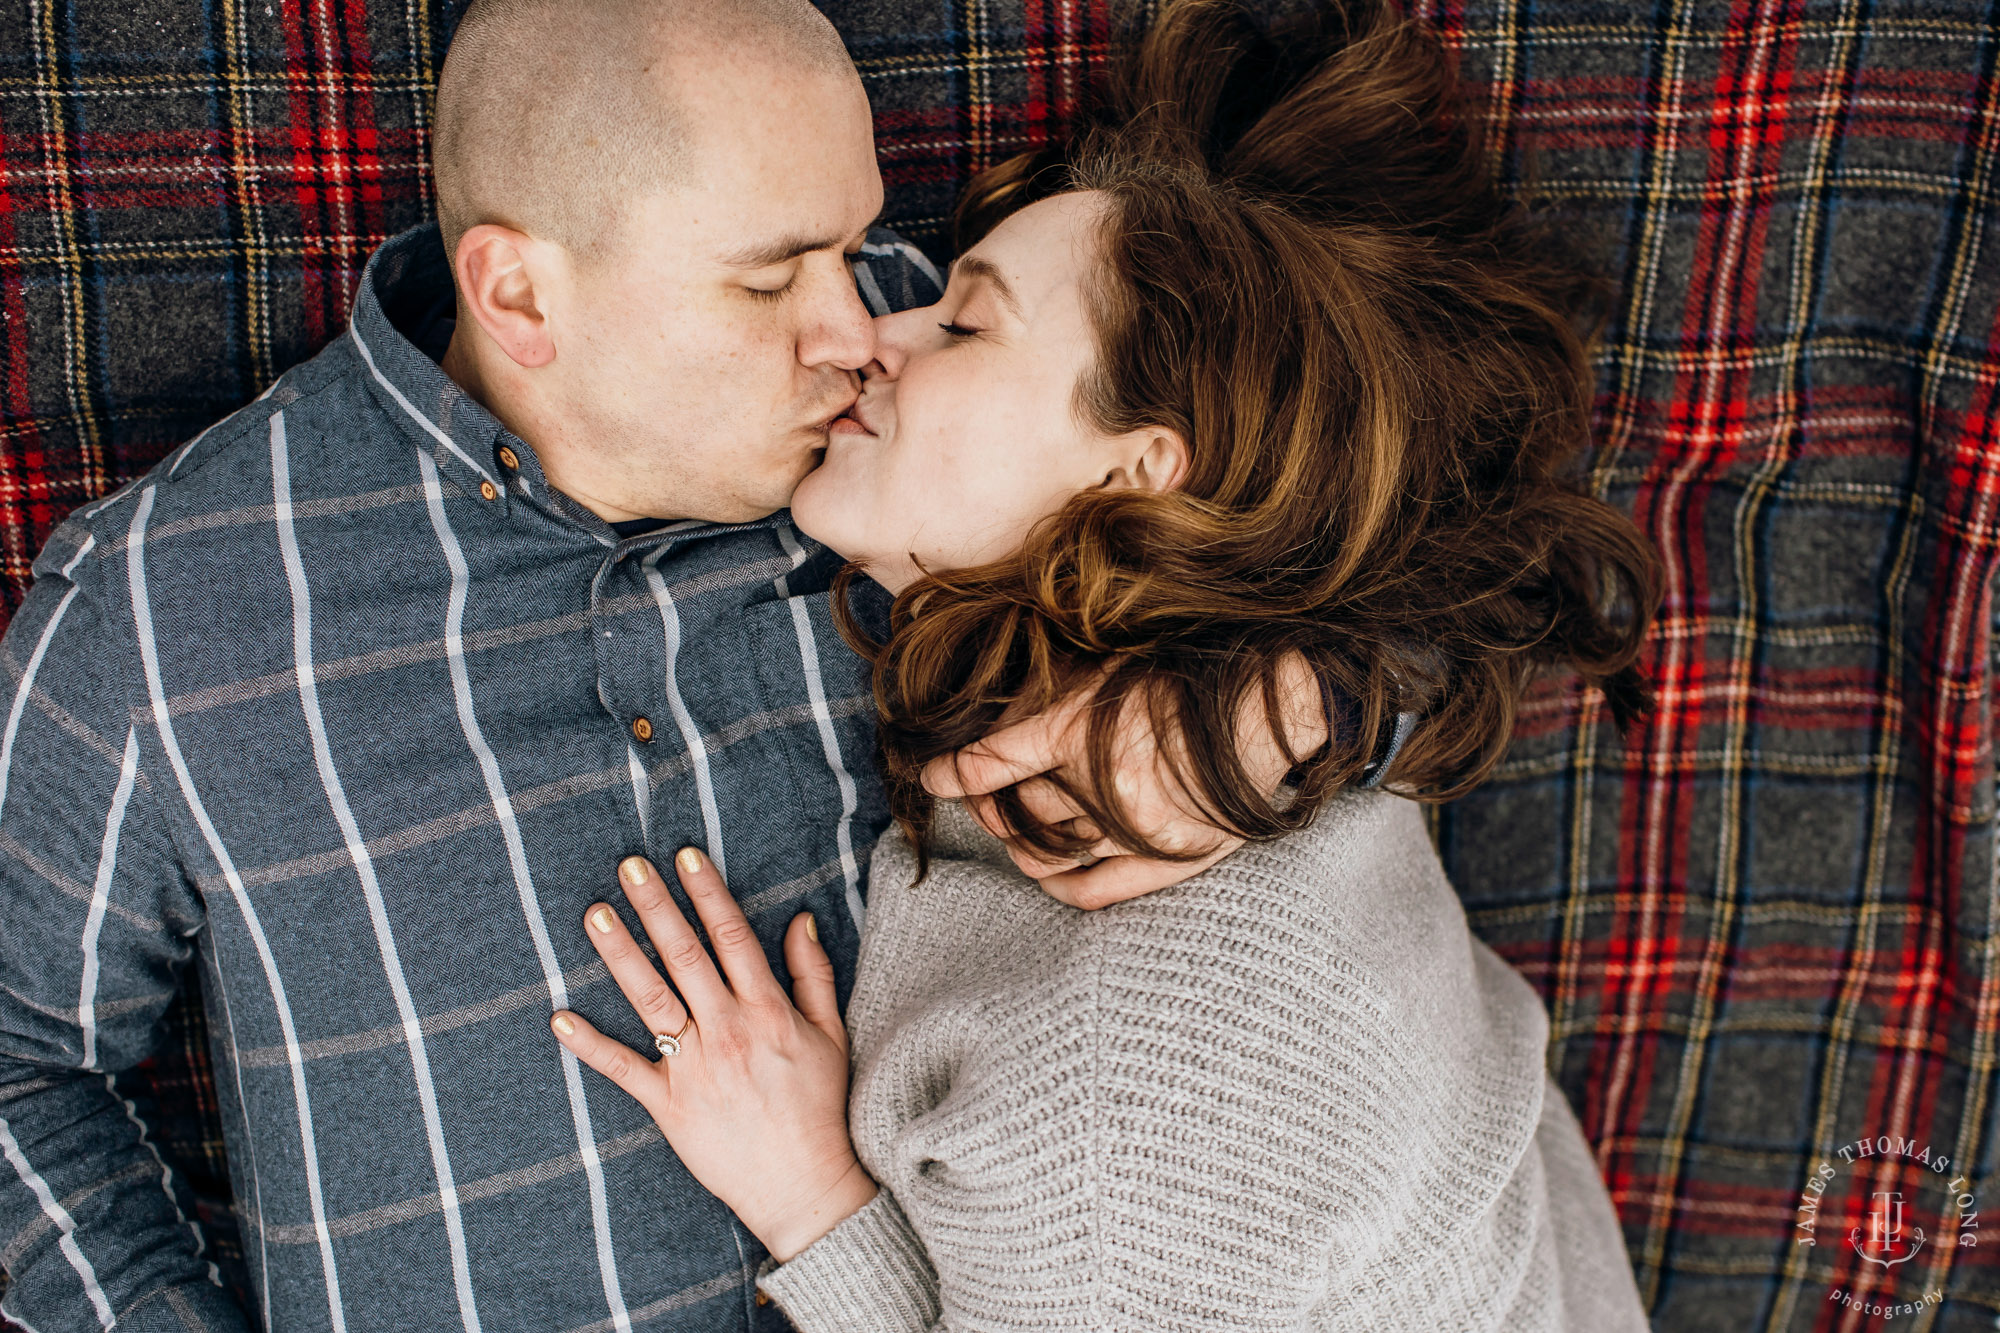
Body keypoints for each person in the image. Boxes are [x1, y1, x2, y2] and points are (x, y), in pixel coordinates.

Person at [0, 1, 1309, 1329]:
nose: (855, 328)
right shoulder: (167, 607)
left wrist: (1256, 700)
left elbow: (1298, 523)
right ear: (520, 292)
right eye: (769, 276)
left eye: (852, 247)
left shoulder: (934, 392)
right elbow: (14, 1057)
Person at [547, 0, 1663, 1328]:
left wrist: (814, 1202)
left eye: (965, 326)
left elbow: (1139, 1169)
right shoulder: (1279, 721)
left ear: (1140, 472)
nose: (869, 337)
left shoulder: (1120, 1102)